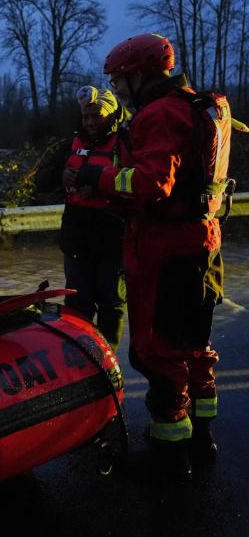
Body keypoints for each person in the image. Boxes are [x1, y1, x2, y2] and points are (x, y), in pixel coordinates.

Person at [72, 33, 232, 481]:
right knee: (195, 343)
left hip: (166, 248)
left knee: (156, 350)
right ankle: (203, 436)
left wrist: (99, 179)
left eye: (120, 81)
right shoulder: (198, 106)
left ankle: (170, 452)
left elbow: (150, 185)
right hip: (203, 241)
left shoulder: (159, 114)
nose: (117, 91)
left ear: (139, 75)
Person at [56, 86, 129, 352]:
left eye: (96, 117)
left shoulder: (127, 142)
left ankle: (108, 358)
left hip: (114, 240)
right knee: (76, 305)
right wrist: (62, 176)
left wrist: (101, 185)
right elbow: (43, 180)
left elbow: (145, 186)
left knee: (112, 304)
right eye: (86, 117)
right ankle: (81, 358)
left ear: (110, 115)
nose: (90, 123)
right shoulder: (71, 142)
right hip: (78, 242)